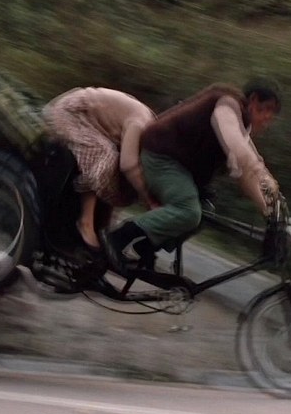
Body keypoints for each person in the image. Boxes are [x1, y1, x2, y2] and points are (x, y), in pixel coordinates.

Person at [101, 79, 281, 271]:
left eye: (272, 114)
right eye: (267, 109)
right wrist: (260, 174)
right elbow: (239, 148)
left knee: (204, 212)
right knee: (188, 211)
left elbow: (246, 173)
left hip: (178, 167)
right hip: (159, 157)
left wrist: (269, 211)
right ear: (253, 100)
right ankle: (117, 239)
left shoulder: (242, 126)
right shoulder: (228, 104)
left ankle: (147, 245)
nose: (268, 118)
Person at [43, 87, 157, 249]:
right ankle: (86, 223)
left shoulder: (151, 127)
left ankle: (103, 227)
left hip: (91, 122)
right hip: (71, 113)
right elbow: (129, 165)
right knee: (105, 157)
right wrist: (148, 198)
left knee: (118, 174)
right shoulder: (141, 124)